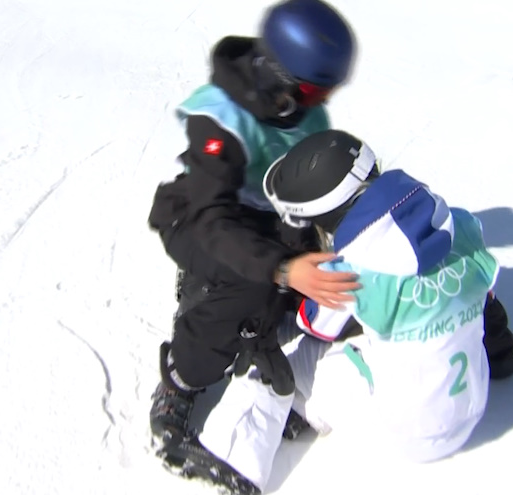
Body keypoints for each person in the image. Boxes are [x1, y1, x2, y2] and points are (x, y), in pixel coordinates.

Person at [178, 129, 513, 494]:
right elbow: (486, 297)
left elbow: (311, 326)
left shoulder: (349, 269)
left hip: (404, 434)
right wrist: (501, 353)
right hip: (472, 407)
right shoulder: (461, 225)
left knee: (275, 357)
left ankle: (233, 464)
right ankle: (309, 412)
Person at [145, 0, 360, 491]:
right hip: (199, 218)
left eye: (326, 90)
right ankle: (177, 384)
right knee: (249, 290)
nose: (320, 100)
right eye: (313, 88)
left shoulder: (305, 109)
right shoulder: (219, 119)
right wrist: (283, 270)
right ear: (280, 74)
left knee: (332, 284)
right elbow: (210, 218)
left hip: (270, 219)